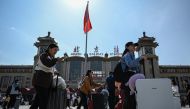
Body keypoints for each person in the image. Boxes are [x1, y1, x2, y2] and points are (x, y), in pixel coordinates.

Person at [30, 43, 64, 109]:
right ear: (49, 49)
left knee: (37, 101)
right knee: (43, 102)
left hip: (45, 83)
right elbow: (48, 64)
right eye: (55, 50)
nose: (56, 52)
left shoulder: (50, 58)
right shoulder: (44, 55)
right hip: (41, 82)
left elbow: (50, 67)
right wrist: (57, 59)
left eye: (57, 50)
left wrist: (55, 71)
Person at [120, 42, 146, 109]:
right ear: (127, 47)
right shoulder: (127, 55)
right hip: (128, 77)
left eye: (135, 46)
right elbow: (130, 64)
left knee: (132, 98)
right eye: (132, 45)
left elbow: (136, 69)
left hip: (132, 77)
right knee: (129, 99)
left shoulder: (132, 55)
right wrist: (140, 58)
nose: (134, 47)